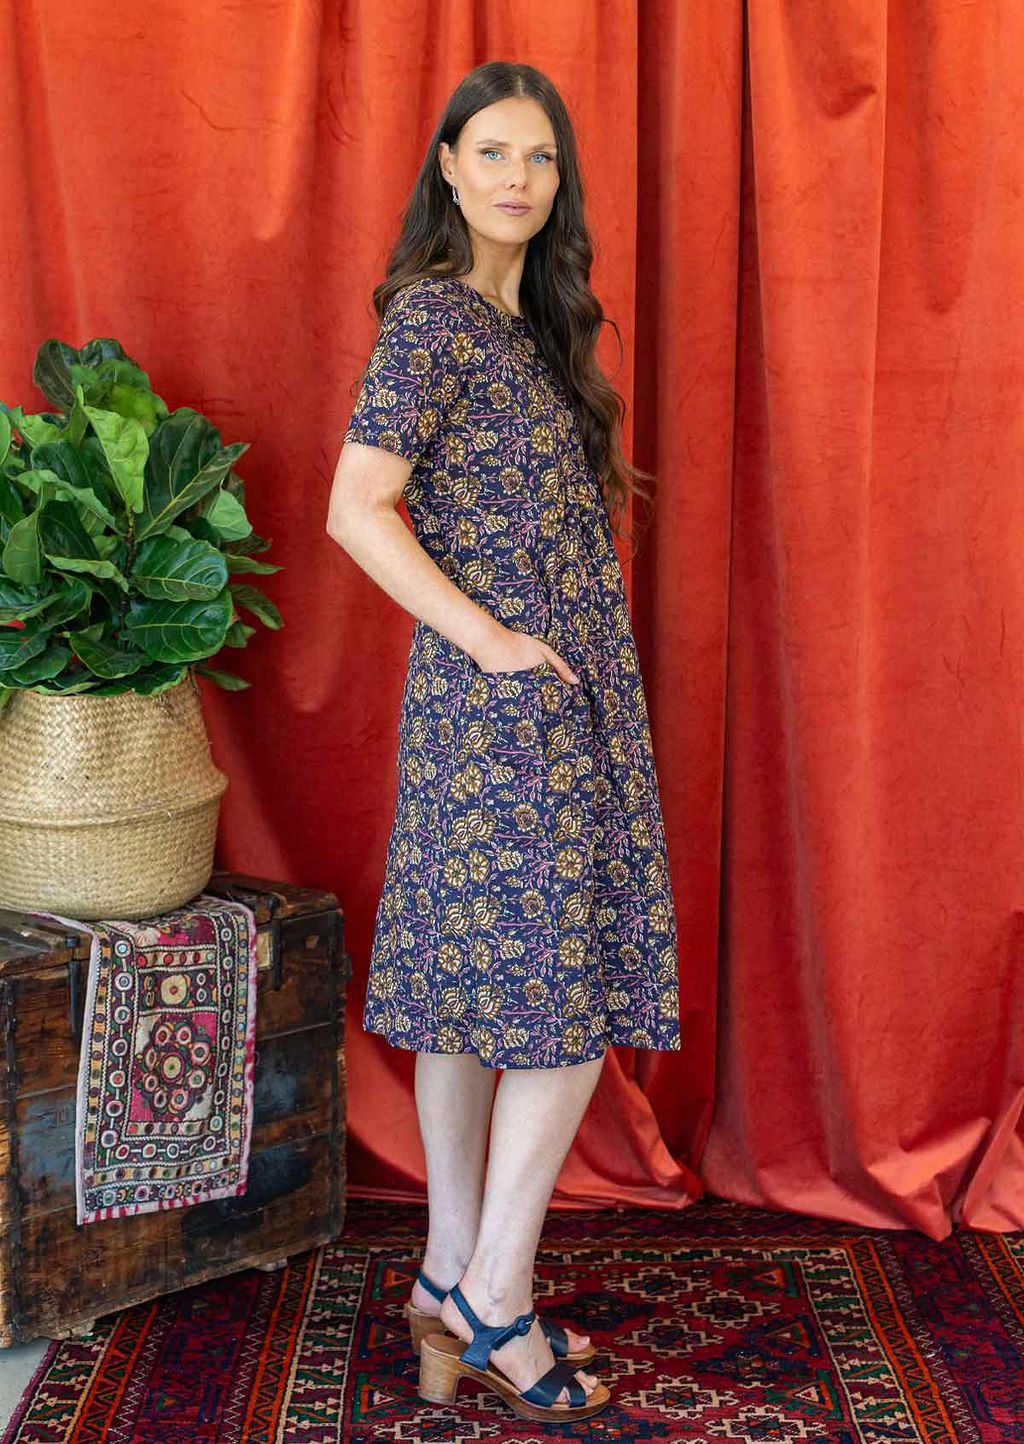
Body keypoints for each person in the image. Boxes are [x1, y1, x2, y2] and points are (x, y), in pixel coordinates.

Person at [326, 59, 681, 1424]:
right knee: (557, 985)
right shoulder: (429, 323)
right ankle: (500, 1294)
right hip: (507, 696)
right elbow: (359, 508)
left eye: (540, 158)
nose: (519, 178)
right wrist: (491, 643)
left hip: (551, 691)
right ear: (450, 169)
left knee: (480, 983)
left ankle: (443, 1272)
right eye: (494, 153)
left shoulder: (532, 329)